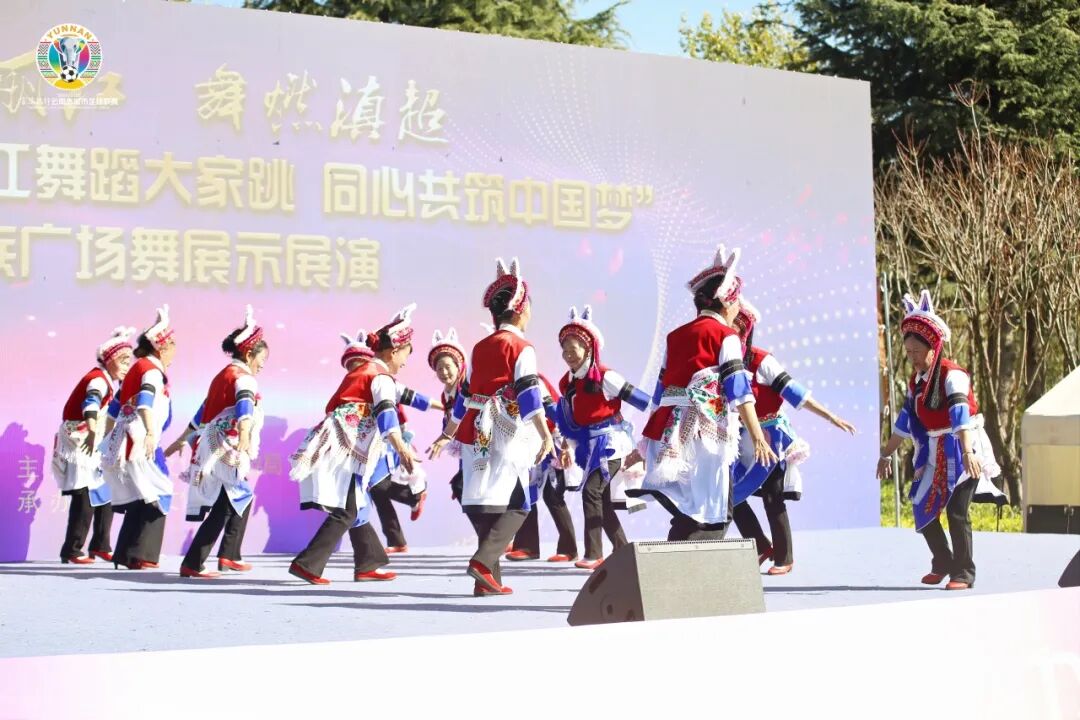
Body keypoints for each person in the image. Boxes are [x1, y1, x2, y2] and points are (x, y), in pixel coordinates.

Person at [627, 246, 778, 541]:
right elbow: (739, 391)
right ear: (727, 302)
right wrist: (758, 436)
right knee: (714, 516)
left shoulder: (675, 336)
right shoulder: (726, 336)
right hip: (705, 437)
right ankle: (691, 567)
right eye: (737, 303)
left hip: (671, 434)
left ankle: (671, 564)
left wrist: (646, 443)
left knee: (691, 513)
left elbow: (660, 394)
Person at [428, 258, 556, 596]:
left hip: (476, 431)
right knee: (519, 503)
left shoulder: (480, 347)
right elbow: (529, 394)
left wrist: (448, 433)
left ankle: (485, 583)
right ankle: (484, 563)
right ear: (520, 309)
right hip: (506, 431)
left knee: (488, 504)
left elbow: (464, 394)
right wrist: (545, 434)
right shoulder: (521, 347)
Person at [877, 290, 1005, 590]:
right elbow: (904, 423)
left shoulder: (952, 375)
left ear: (933, 347)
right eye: (908, 352)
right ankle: (943, 560)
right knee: (921, 504)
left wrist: (969, 452)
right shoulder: (916, 382)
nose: (912, 357)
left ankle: (964, 572)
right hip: (935, 451)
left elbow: (960, 415)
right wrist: (885, 454)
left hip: (964, 445)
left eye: (916, 351)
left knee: (956, 511)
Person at [287, 305, 421, 585]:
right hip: (346, 448)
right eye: (406, 354)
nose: (406, 362)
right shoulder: (380, 376)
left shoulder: (366, 372)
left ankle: (368, 563)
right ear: (394, 351)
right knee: (348, 510)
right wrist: (401, 447)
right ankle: (307, 564)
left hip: (341, 445)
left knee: (355, 506)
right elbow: (386, 414)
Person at [728, 299, 856, 575]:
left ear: (745, 331)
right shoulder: (726, 364)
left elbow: (795, 392)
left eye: (734, 329)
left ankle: (784, 557)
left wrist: (830, 416)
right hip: (743, 438)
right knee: (730, 494)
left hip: (771, 437)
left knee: (772, 496)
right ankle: (761, 545)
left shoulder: (762, 361)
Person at [169, 306, 268, 579]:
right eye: (262, 359)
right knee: (230, 502)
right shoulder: (243, 378)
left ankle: (229, 555)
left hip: (212, 445)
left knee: (238, 498)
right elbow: (245, 407)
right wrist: (245, 435)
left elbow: (203, 411)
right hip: (226, 447)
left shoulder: (223, 375)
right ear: (249, 354)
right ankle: (195, 562)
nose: (262, 365)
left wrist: (182, 439)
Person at [552, 305, 650, 570]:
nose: (568, 355)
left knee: (591, 492)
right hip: (590, 445)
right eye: (564, 350)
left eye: (573, 349)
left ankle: (594, 553)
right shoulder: (567, 383)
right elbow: (569, 421)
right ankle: (624, 552)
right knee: (602, 501)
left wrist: (659, 429)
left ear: (589, 348)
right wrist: (566, 446)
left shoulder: (607, 377)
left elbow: (644, 402)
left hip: (612, 443)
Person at [101, 305, 177, 570]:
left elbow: (113, 409)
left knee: (140, 495)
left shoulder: (136, 368)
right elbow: (144, 403)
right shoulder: (151, 372)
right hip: (141, 440)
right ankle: (141, 555)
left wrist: (108, 439)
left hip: (127, 440)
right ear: (161, 347)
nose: (175, 351)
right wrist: (151, 433)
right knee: (159, 491)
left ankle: (126, 554)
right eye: (172, 345)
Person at [52, 326, 135, 564]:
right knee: (85, 494)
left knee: (106, 489)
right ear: (109, 360)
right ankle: (72, 549)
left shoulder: (107, 380)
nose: (127, 366)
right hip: (81, 440)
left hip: (93, 438)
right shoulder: (97, 380)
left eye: (129, 361)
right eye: (123, 361)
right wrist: (90, 431)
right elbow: (91, 403)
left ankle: (100, 545)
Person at [506, 373, 579, 563]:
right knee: (526, 494)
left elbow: (553, 409)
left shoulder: (532, 381)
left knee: (553, 496)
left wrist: (567, 436)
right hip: (525, 445)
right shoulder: (504, 383)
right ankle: (527, 547)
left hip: (549, 442)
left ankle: (569, 549)